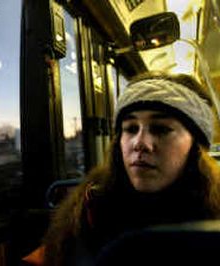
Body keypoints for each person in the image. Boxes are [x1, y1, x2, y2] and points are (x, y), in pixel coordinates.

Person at [22, 72, 220, 266]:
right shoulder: (88, 208)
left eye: (161, 129)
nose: (140, 143)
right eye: (131, 129)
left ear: (197, 147)